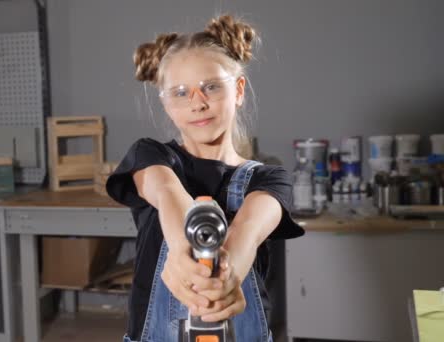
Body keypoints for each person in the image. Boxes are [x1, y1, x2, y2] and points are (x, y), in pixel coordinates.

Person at [106, 14, 304, 342]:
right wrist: (184, 248)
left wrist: (227, 276)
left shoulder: (270, 179)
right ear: (166, 104)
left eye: (211, 86)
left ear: (239, 90)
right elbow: (167, 193)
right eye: (180, 93)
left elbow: (247, 232)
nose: (197, 103)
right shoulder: (150, 158)